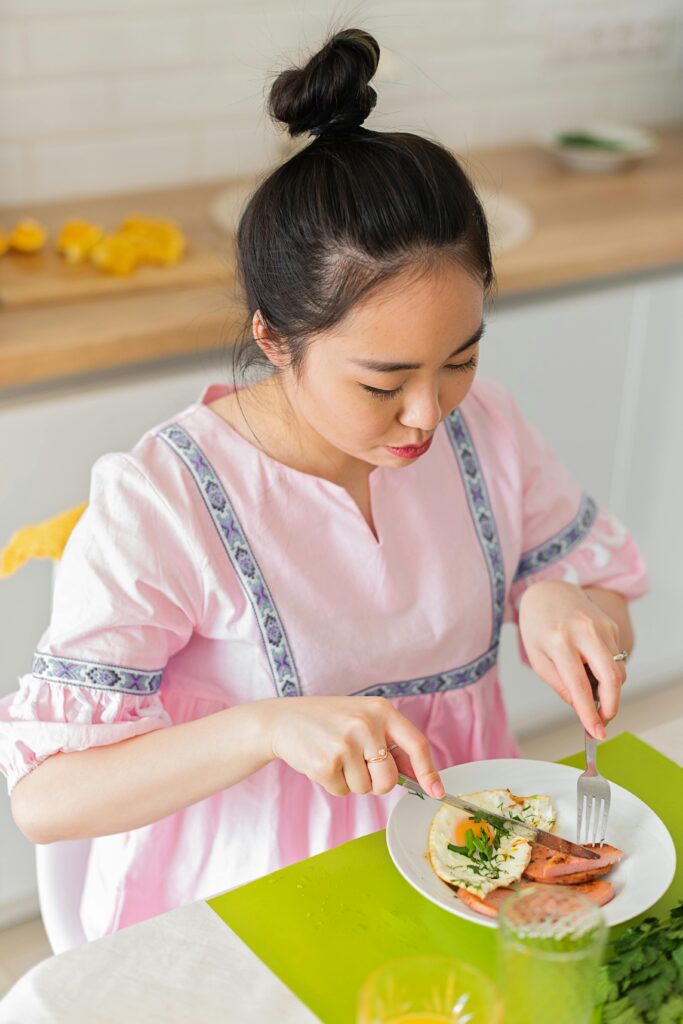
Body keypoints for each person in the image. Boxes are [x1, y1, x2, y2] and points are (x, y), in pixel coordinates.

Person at [0, 27, 648, 941]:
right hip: (246, 908)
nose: (428, 413)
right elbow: (46, 798)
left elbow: (604, 597)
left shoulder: (486, 427)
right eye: (382, 383)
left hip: (458, 876)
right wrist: (264, 729)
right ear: (274, 340)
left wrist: (563, 603)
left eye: (459, 359)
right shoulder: (163, 498)